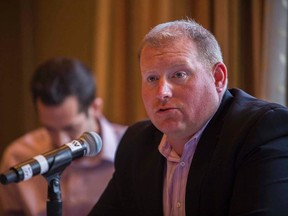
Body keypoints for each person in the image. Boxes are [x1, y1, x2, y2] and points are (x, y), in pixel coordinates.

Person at [88, 19, 288, 216]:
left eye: (179, 75)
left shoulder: (262, 130)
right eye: (151, 78)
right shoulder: (136, 143)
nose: (162, 92)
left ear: (218, 78)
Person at [0, 57, 127, 216]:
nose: (61, 142)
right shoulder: (18, 157)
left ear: (95, 108)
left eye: (71, 128)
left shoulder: (132, 150)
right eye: (49, 128)